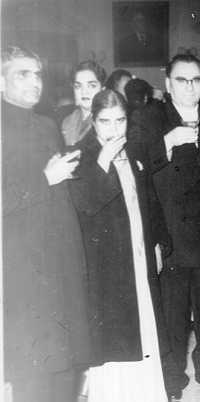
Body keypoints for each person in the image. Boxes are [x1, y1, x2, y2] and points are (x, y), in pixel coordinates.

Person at [128, 54, 200, 398]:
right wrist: (167, 142)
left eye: (197, 80)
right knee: (172, 312)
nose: (190, 87)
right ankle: (172, 378)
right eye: (182, 80)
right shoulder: (148, 117)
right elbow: (135, 165)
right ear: (168, 84)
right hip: (170, 228)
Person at [69, 89, 172, 402]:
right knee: (116, 337)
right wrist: (102, 161)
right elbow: (85, 206)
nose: (114, 130)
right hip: (106, 262)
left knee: (145, 328)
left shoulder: (134, 148)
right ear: (93, 122)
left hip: (139, 252)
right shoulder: (80, 154)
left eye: (120, 120)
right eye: (105, 122)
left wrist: (157, 242)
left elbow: (150, 199)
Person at [2, 45, 90, 402]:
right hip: (21, 263)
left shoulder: (47, 124)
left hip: (58, 256)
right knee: (33, 363)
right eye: (22, 75)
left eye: (37, 74)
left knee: (66, 357)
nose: (34, 82)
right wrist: (45, 178)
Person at [60, 60, 106, 146]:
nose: (84, 92)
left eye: (92, 86)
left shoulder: (108, 122)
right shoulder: (67, 122)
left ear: (102, 90)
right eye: (78, 86)